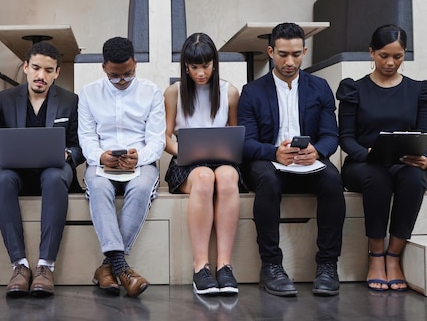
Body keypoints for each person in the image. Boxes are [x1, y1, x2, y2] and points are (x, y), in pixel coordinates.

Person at [237, 22, 346, 297]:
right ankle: (271, 265)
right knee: (268, 181)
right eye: (283, 54)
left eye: (296, 54)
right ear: (271, 51)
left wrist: (317, 151)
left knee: (333, 180)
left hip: (310, 161)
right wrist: (274, 152)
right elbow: (246, 143)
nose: (290, 61)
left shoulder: (320, 87)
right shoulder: (252, 91)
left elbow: (331, 135)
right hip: (269, 161)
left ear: (304, 51)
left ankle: (327, 265)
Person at [336, 24, 427, 292]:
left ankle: (393, 256)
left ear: (405, 55)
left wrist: (423, 157)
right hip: (362, 164)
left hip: (404, 163)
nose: (390, 62)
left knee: (414, 179)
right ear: (371, 53)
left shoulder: (418, 90)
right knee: (377, 178)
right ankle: (375, 255)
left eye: (397, 57)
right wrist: (367, 154)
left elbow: (423, 132)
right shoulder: (355, 89)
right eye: (384, 55)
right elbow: (346, 138)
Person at [0, 42, 84, 298]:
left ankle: (45, 266)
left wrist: (66, 154)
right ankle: (19, 265)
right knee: (1, 180)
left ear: (57, 73)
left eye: (48, 70)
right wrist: (6, 156)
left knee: (55, 177)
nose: (40, 75)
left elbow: (79, 147)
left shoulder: (70, 100)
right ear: (25, 67)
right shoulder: (5, 99)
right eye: (35, 68)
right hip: (18, 171)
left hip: (54, 170)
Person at [78, 36, 165, 298]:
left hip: (141, 161)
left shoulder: (151, 91)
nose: (123, 80)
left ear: (135, 64)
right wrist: (100, 156)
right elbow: (87, 137)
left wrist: (140, 157)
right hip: (101, 162)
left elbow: (157, 140)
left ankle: (109, 267)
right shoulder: (89, 93)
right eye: (115, 76)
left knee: (140, 188)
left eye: (128, 73)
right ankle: (121, 266)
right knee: (96, 183)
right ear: (103, 67)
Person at [163, 32, 241, 295]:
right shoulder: (173, 93)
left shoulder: (229, 92)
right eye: (193, 67)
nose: (200, 73)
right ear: (185, 65)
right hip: (186, 164)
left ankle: (224, 266)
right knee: (205, 177)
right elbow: (165, 137)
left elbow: (234, 134)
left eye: (205, 66)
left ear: (214, 64)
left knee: (228, 177)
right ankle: (200, 266)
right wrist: (183, 150)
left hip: (221, 162)